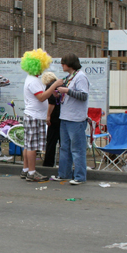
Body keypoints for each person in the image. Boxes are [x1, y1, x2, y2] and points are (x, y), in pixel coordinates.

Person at [49, 54, 90, 185]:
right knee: (64, 148)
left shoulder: (80, 77)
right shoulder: (69, 77)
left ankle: (79, 176)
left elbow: (83, 96)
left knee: (77, 149)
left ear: (69, 64)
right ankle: (64, 173)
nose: (61, 65)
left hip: (76, 119)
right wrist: (59, 93)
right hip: (65, 117)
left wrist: (66, 90)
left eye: (63, 63)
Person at [20, 49, 56, 182]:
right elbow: (41, 97)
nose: (43, 69)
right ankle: (32, 172)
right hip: (34, 116)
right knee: (32, 146)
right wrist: (53, 86)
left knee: (28, 145)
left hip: (33, 115)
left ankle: (25, 170)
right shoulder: (33, 81)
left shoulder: (32, 79)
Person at [41, 71, 61, 168]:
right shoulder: (59, 85)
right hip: (62, 116)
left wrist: (48, 115)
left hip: (54, 117)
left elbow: (51, 103)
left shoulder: (50, 86)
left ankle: (48, 163)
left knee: (51, 141)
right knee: (63, 142)